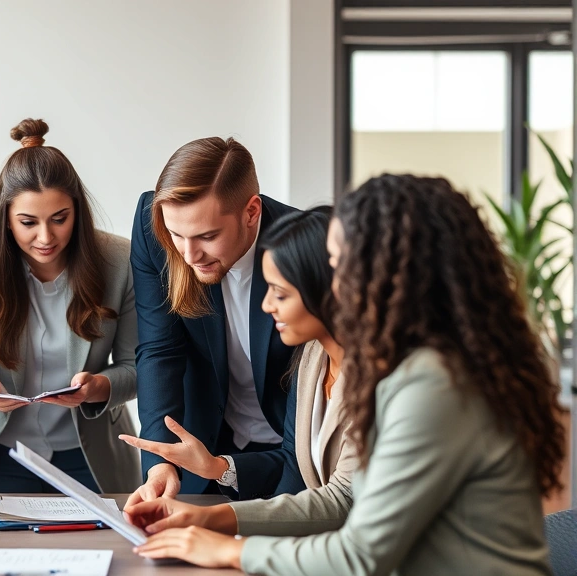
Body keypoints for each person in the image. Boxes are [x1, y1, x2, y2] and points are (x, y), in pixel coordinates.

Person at [126, 175, 565, 576]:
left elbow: (361, 555)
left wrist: (227, 550)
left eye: (337, 263)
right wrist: (211, 518)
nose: (328, 280)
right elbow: (345, 496)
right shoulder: (397, 365)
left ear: (390, 272)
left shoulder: (433, 383)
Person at [121, 206, 357, 533]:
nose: (266, 305)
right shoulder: (312, 358)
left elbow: (342, 499)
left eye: (280, 293)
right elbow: (293, 467)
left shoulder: (378, 379)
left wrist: (220, 531)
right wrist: (216, 468)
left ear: (328, 290)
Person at [0, 119, 139, 494]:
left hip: (91, 453)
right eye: (28, 222)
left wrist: (97, 387)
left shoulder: (119, 260)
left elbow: (137, 366)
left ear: (77, 212)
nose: (46, 237)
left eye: (60, 219)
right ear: (6, 219)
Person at [128, 137, 301, 503]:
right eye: (177, 235)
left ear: (251, 212)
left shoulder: (305, 246)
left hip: (292, 457)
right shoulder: (150, 224)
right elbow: (160, 349)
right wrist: (161, 462)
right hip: (203, 450)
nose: (189, 255)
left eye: (207, 236)